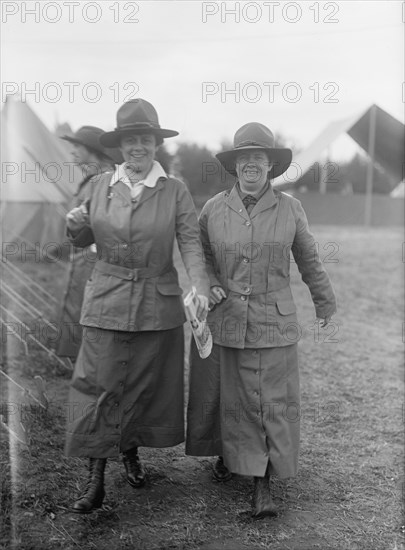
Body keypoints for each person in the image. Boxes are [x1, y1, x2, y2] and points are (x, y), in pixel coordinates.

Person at [64, 99, 209, 514]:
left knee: (142, 386)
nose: (138, 147)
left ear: (156, 144)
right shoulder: (98, 186)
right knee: (98, 385)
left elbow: (190, 244)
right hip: (106, 301)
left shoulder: (175, 191)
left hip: (155, 305)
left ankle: (130, 451)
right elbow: (79, 234)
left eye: (146, 139)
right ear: (121, 145)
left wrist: (199, 286)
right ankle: (95, 478)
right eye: (131, 140)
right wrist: (74, 225)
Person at [186, 122, 336, 518]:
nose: (251, 164)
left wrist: (324, 302)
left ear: (270, 165)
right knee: (236, 400)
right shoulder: (213, 208)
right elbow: (199, 255)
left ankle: (263, 486)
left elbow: (308, 258)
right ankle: (236, 460)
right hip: (230, 320)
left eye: (259, 157)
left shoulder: (290, 208)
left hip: (275, 321)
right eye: (244, 158)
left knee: (271, 402)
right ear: (235, 166)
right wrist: (212, 283)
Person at [56, 126, 121, 361]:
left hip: (96, 263)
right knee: (78, 312)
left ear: (90, 149)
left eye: (77, 146)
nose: (72, 151)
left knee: (94, 320)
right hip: (82, 261)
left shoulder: (107, 180)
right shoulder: (92, 179)